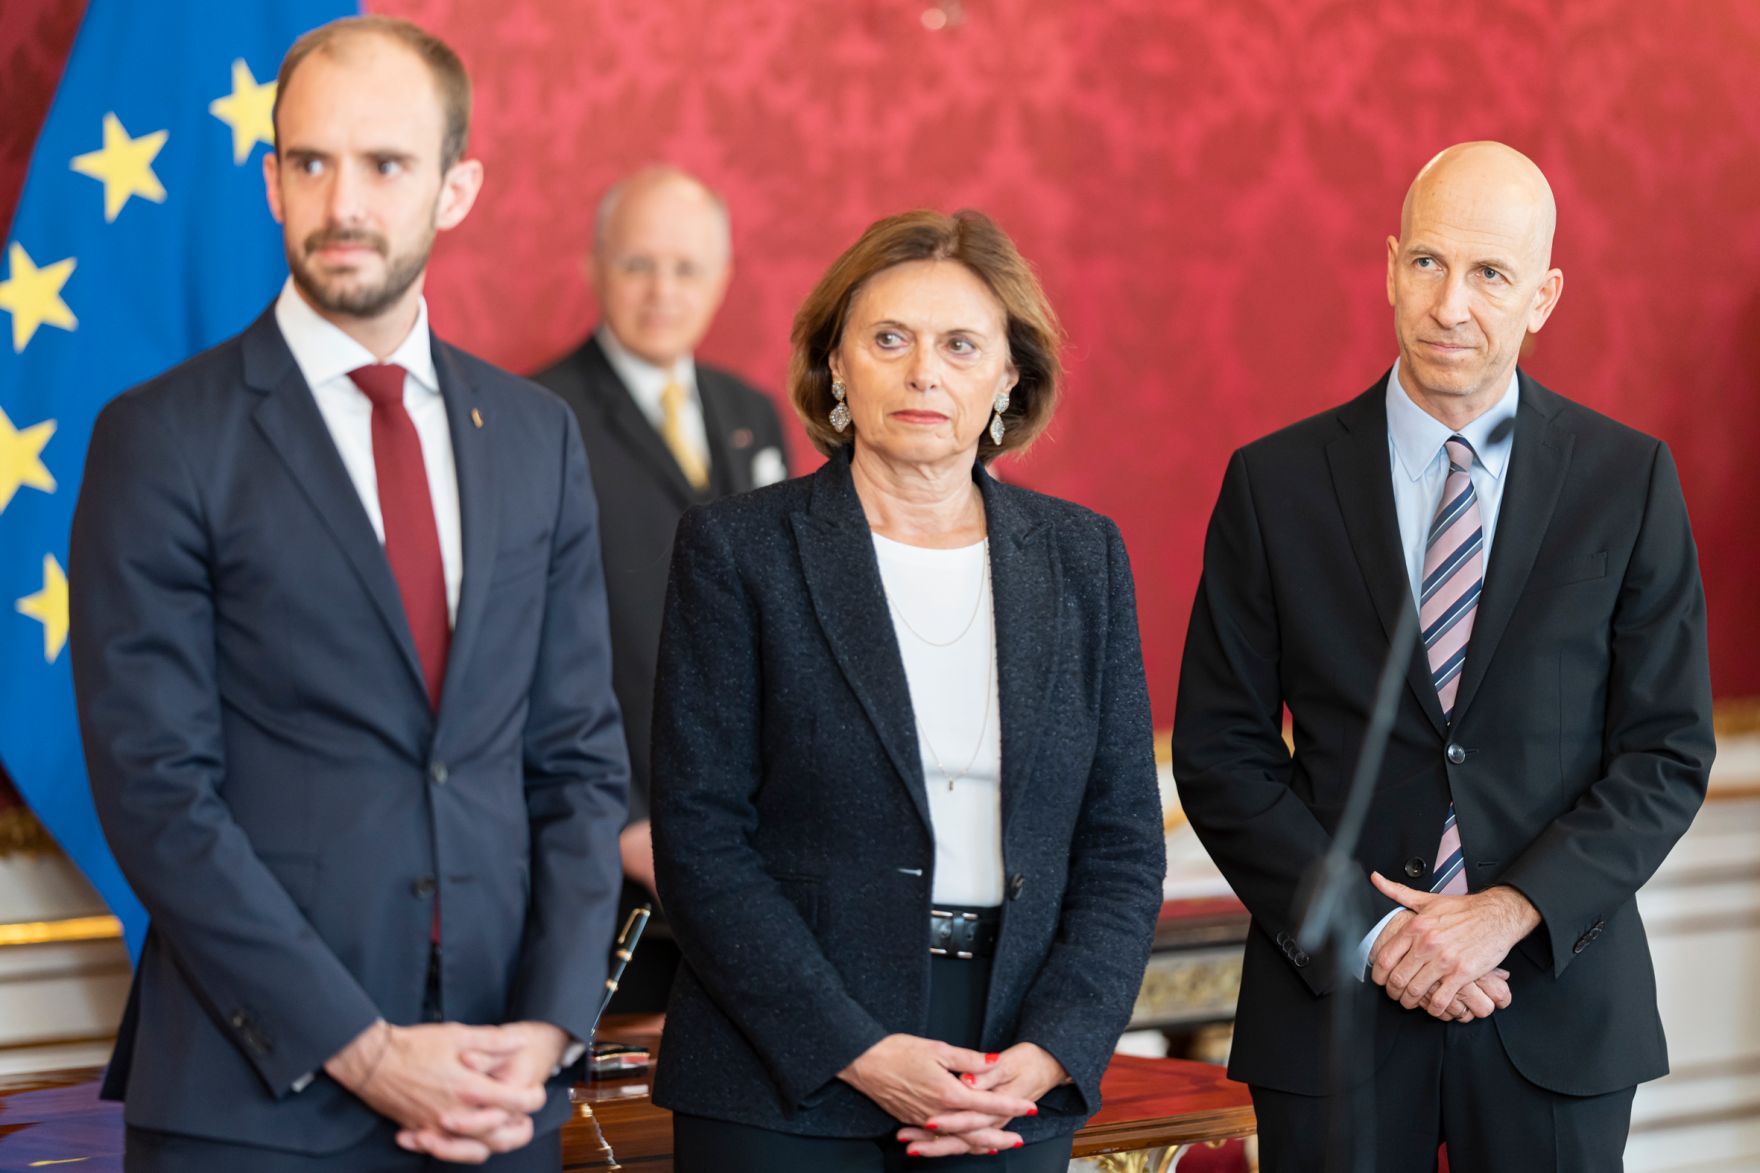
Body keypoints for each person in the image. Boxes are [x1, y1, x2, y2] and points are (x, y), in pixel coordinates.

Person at [68, 16, 628, 1171]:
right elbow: (156, 791)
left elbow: (577, 762)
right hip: (252, 1104)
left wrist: (548, 1028)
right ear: (272, 182)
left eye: (385, 164)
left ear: (455, 189)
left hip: (498, 1094)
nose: (343, 203)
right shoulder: (160, 438)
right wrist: (364, 1052)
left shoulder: (537, 438)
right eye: (310, 162)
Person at [1172, 141, 1715, 1171]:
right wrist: (1377, 936)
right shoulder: (1273, 484)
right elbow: (1220, 750)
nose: (1449, 304)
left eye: (1490, 274)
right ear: (1389, 267)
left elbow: (1665, 751)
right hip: (1332, 1008)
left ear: (1542, 297)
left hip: (1552, 1005)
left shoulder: (1627, 480)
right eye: (1427, 262)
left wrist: (1508, 912)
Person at [647, 209, 1166, 1171]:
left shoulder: (1081, 557)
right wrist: (858, 1049)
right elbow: (700, 840)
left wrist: (1055, 1046)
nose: (925, 371)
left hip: (1009, 1066)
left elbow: (1123, 842)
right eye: (890, 339)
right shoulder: (738, 550)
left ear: (1008, 375)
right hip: (784, 1067)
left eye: (961, 344)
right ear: (837, 364)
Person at [533, 165, 789, 1012]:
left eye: (687, 267)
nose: (663, 291)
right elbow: (525, 645)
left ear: (722, 276)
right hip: (611, 854)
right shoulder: (539, 417)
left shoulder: (752, 411)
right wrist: (621, 816)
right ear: (594, 266)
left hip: (753, 851)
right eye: (638, 264)